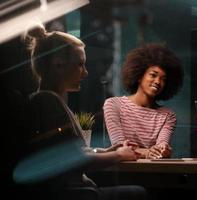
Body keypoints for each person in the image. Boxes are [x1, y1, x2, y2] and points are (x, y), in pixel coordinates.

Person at [15, 24, 147, 200]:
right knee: (139, 193)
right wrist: (118, 155)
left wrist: (105, 150)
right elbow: (73, 161)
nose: (85, 73)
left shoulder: (50, 100)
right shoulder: (47, 101)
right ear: (59, 64)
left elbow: (72, 153)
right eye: (80, 64)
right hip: (75, 195)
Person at [104, 43, 184, 159]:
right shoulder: (113, 105)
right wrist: (148, 153)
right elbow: (119, 147)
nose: (157, 81)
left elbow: (161, 145)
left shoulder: (168, 116)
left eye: (163, 79)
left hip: (154, 172)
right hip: (123, 173)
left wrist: (163, 150)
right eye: (153, 75)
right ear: (139, 76)